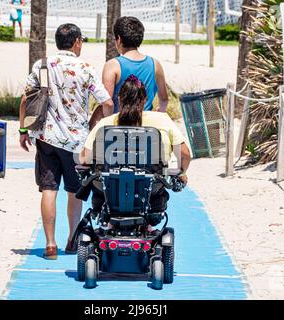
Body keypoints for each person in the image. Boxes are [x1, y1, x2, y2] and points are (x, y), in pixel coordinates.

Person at [19, 24, 114, 260]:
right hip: (76, 142)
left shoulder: (42, 65)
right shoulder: (85, 68)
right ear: (77, 42)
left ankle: (50, 245)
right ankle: (72, 240)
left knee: (49, 189)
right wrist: (94, 124)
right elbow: (108, 103)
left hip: (46, 137)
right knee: (74, 191)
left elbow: (25, 98)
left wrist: (23, 129)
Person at [80, 75, 191, 220]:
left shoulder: (105, 124)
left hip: (109, 193)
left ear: (119, 99)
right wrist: (181, 172)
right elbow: (184, 154)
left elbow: (84, 159)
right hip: (151, 192)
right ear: (144, 100)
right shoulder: (162, 120)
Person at [101, 16, 169, 116]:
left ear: (119, 39)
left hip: (119, 125)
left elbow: (108, 103)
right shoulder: (155, 64)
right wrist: (159, 113)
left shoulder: (112, 65)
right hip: (146, 125)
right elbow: (164, 99)